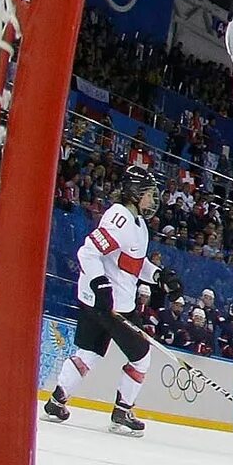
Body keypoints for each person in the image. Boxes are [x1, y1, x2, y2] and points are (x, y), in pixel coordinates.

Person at [44, 164, 159, 436]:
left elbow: (130, 261)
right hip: (113, 305)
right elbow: (88, 252)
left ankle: (57, 401)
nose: (152, 200)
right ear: (134, 193)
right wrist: (101, 284)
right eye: (148, 194)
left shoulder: (139, 225)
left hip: (99, 301)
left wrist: (158, 276)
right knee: (141, 358)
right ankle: (122, 412)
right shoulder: (119, 218)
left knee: (89, 353)